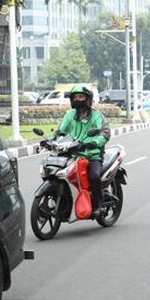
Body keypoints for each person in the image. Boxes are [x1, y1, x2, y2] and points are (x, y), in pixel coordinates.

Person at [56, 85, 108, 217]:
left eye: (81, 97)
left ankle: (98, 205)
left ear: (87, 99)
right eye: (75, 97)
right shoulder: (70, 114)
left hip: (92, 154)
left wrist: (93, 143)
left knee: (94, 177)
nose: (78, 99)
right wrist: (51, 140)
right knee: (59, 172)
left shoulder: (96, 115)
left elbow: (105, 133)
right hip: (73, 154)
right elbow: (60, 131)